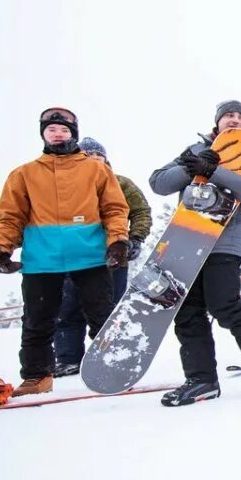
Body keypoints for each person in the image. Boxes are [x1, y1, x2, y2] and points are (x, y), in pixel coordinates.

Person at [149, 100, 241, 406]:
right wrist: (189, 165)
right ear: (217, 122)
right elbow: (158, 183)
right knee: (186, 309)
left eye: (239, 116)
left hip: (226, 240)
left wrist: (214, 171)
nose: (233, 120)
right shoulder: (195, 150)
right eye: (227, 116)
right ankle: (201, 379)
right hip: (188, 238)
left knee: (224, 304)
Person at [0, 107, 130, 396]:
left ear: (74, 134)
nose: (58, 134)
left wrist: (118, 241)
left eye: (64, 130)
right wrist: (1, 249)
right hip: (42, 259)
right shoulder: (24, 174)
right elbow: (10, 217)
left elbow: (115, 209)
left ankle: (115, 368)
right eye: (51, 129)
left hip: (90, 255)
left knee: (102, 315)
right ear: (43, 134)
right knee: (37, 320)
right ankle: (37, 377)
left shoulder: (95, 169)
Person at [52, 137, 153, 377]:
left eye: (98, 156)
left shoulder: (120, 183)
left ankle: (108, 355)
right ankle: (68, 358)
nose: (94, 160)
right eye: (89, 156)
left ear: (105, 160)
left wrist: (136, 238)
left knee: (108, 310)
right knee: (67, 308)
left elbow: (141, 212)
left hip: (112, 257)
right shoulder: (64, 185)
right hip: (72, 257)